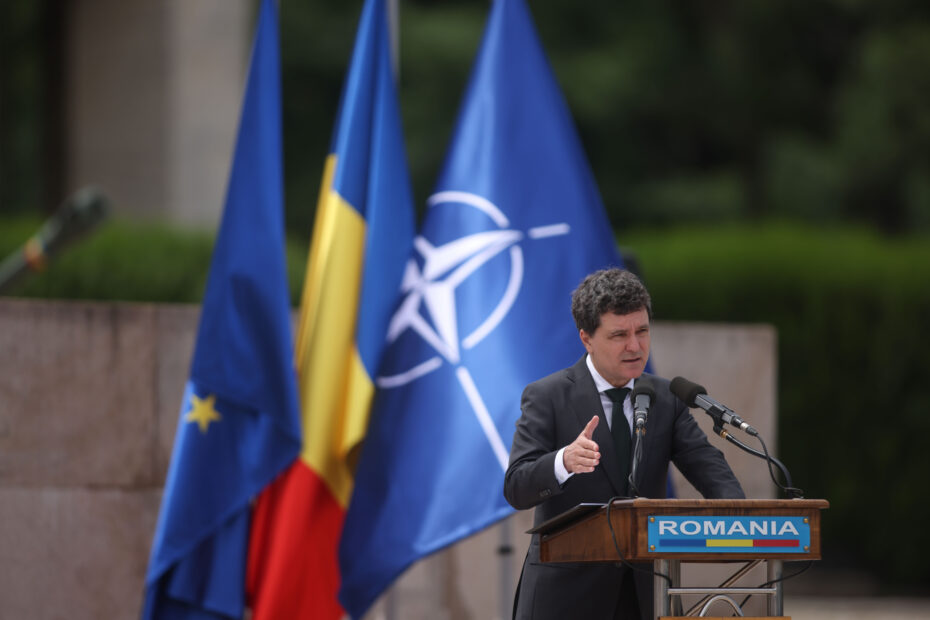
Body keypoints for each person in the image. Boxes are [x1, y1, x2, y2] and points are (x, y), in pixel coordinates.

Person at [503, 268, 745, 620]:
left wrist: (744, 518)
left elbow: (710, 469)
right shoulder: (547, 397)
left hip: (646, 597)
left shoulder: (666, 398)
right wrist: (563, 462)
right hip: (565, 600)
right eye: (619, 335)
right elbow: (516, 487)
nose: (635, 346)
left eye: (642, 331)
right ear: (586, 339)